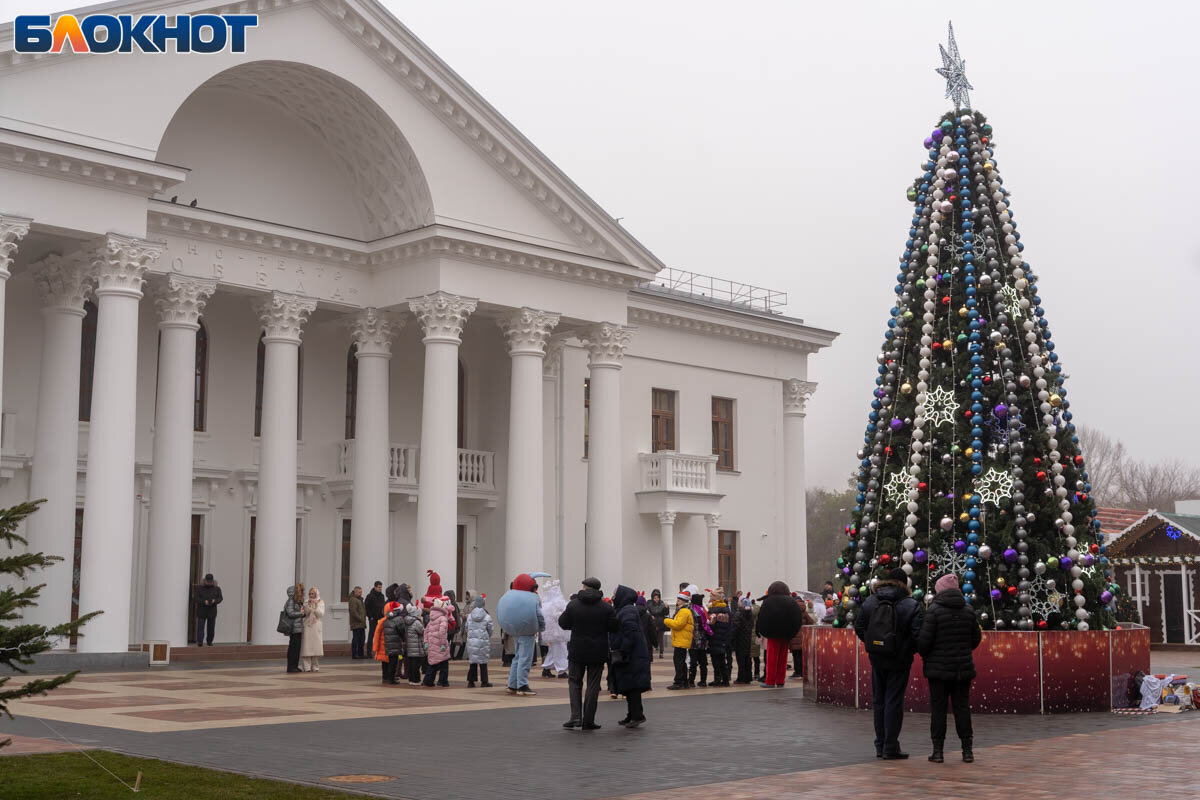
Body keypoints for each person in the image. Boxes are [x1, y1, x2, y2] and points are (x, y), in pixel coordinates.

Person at [854, 567, 924, 760]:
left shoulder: (871, 600)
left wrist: (873, 645)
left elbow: (859, 627)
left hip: (877, 658)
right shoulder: (911, 604)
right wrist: (906, 649)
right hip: (900, 661)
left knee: (879, 701)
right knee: (893, 701)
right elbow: (918, 634)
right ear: (905, 583)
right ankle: (891, 747)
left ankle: (880, 744)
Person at [917, 574, 981, 764]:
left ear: (940, 590)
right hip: (963, 669)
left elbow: (923, 643)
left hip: (938, 671)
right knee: (962, 708)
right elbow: (975, 639)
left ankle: (938, 751)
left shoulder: (934, 612)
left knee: (939, 709)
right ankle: (967, 751)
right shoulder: (968, 611)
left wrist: (929, 654)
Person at [557, 577, 616, 729]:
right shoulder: (606, 607)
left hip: (577, 650)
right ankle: (588, 720)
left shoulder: (573, 605)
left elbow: (563, 623)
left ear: (584, 587)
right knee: (593, 685)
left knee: (575, 682)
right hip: (598, 651)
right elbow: (614, 627)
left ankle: (575, 717)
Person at [609, 584, 651, 728]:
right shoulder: (625, 610)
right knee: (628, 686)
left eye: (615, 594)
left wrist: (624, 650)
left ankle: (637, 715)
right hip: (632, 655)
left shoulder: (627, 611)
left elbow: (630, 633)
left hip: (632, 655)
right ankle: (632, 714)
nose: (613, 597)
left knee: (632, 687)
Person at [496, 573, 544, 696]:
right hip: (528, 632)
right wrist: (541, 628)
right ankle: (522, 685)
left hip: (514, 631)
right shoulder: (532, 598)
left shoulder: (508, 595)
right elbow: (539, 615)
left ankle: (512, 684)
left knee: (517, 657)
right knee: (525, 658)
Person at [755, 581, 802, 688]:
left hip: (772, 634)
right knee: (783, 658)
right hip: (787, 634)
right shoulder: (792, 602)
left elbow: (762, 617)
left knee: (772, 658)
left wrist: (761, 631)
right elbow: (797, 618)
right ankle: (780, 680)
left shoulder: (768, 601)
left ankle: (770, 681)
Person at [662, 590, 694, 690]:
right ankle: (684, 681)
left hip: (681, 640)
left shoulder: (684, 611)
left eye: (679, 600)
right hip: (681, 640)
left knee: (678, 661)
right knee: (681, 661)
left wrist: (666, 620)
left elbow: (678, 624)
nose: (677, 601)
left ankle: (679, 682)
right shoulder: (683, 610)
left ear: (684, 601)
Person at [540, 580, 570, 678]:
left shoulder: (548, 604)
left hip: (555, 633)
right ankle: (561, 671)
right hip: (557, 633)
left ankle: (546, 669)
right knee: (561, 651)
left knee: (553, 651)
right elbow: (557, 617)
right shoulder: (555, 604)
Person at [423, 595, 453, 687]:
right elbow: (442, 632)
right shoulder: (443, 618)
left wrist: (426, 642)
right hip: (440, 644)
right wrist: (443, 644)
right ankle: (443, 681)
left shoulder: (431, 619)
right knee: (444, 664)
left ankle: (428, 681)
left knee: (433, 663)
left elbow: (426, 631)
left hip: (432, 644)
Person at [705, 588, 732, 687]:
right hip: (723, 637)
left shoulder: (713, 609)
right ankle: (725, 680)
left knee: (716, 660)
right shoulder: (726, 609)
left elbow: (710, 625)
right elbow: (729, 624)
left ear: (715, 597)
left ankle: (718, 679)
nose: (709, 597)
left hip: (715, 637)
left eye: (711, 596)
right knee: (722, 659)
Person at [466, 594, 494, 688]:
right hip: (483, 641)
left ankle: (471, 681)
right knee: (483, 662)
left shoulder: (470, 616)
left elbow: (466, 628)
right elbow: (490, 629)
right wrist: (486, 636)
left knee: (473, 662)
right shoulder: (487, 616)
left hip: (472, 641)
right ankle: (484, 681)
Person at [380, 598, 407, 684]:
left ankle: (387, 677)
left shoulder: (387, 618)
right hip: (395, 642)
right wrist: (403, 638)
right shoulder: (399, 619)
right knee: (394, 662)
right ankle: (391, 678)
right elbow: (402, 630)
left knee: (389, 661)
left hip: (388, 643)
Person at [687, 592, 711, 688]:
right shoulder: (702, 610)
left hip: (693, 639)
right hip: (702, 640)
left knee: (693, 662)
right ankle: (703, 681)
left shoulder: (690, 610)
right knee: (703, 662)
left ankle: (691, 681)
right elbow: (706, 624)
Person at [299, 586, 325, 672]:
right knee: (307, 647)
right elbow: (304, 613)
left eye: (313, 593)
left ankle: (315, 666)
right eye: (310, 593)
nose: (311, 595)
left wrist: (316, 606)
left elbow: (321, 614)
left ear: (316, 594)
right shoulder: (306, 602)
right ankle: (306, 667)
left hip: (316, 625)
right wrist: (308, 606)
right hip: (308, 625)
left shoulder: (321, 602)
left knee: (315, 647)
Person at [193, 573, 222, 647]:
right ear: (204, 580)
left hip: (212, 611)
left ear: (213, 581)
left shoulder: (217, 589)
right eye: (207, 581)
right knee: (200, 627)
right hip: (201, 611)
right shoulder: (199, 588)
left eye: (210, 581)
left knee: (211, 628)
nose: (209, 583)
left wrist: (214, 601)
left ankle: (209, 641)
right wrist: (203, 601)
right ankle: (200, 642)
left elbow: (220, 598)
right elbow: (196, 598)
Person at [790, 596, 815, 679]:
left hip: (795, 635)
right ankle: (803, 672)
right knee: (802, 655)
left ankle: (797, 672)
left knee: (796, 655)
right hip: (804, 635)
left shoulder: (792, 611)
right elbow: (811, 622)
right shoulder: (804, 612)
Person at [402, 599, 426, 684]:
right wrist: (421, 621)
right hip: (416, 647)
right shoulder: (416, 622)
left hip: (410, 647)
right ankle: (416, 680)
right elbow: (422, 631)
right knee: (416, 665)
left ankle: (411, 679)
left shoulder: (407, 621)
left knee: (411, 664)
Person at [282, 583, 305, 673]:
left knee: (297, 648)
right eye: (300, 591)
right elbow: (290, 613)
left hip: (298, 628)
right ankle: (291, 667)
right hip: (293, 628)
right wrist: (301, 614)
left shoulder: (297, 601)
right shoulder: (291, 601)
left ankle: (295, 666)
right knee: (293, 648)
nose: (302, 593)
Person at [731, 596, 754, 683]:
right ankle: (748, 677)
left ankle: (741, 678)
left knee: (741, 660)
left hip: (739, 640)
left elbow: (735, 629)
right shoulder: (750, 614)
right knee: (747, 659)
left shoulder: (739, 614)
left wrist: (732, 639)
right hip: (748, 639)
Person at [364, 581, 385, 656]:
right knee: (371, 635)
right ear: (375, 587)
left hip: (380, 618)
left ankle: (379, 650)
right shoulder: (370, 596)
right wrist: (370, 616)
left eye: (381, 587)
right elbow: (366, 607)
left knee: (380, 635)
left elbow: (383, 606)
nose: (380, 589)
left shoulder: (382, 596)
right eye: (379, 587)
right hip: (373, 619)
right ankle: (369, 651)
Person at [646, 589, 668, 658]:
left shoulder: (662, 604)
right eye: (655, 598)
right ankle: (651, 652)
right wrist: (650, 616)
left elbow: (666, 613)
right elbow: (647, 612)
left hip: (661, 623)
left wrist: (667, 608)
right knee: (652, 638)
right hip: (653, 623)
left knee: (661, 639)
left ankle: (661, 653)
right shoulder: (649, 605)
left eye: (657, 598)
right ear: (652, 598)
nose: (656, 599)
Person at [348, 585, 367, 659]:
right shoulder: (353, 600)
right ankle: (354, 654)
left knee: (362, 639)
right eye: (359, 592)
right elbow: (353, 612)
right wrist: (360, 618)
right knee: (356, 639)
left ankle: (360, 653)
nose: (360, 593)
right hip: (357, 623)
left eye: (361, 592)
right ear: (355, 592)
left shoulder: (359, 600)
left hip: (361, 623)